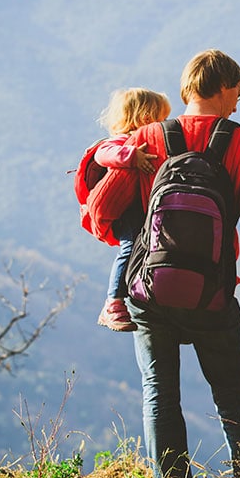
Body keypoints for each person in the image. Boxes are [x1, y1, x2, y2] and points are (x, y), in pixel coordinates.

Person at [95, 49, 240, 478]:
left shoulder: (146, 138)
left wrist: (131, 232)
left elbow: (102, 208)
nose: (239, 103)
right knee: (234, 396)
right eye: (238, 92)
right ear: (222, 88)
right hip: (213, 296)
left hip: (150, 292)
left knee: (159, 392)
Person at [94, 88, 171, 332]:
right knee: (129, 248)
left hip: (144, 207)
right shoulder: (121, 140)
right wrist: (131, 156)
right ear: (144, 117)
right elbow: (101, 154)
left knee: (143, 248)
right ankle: (113, 302)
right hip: (127, 210)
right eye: (159, 118)